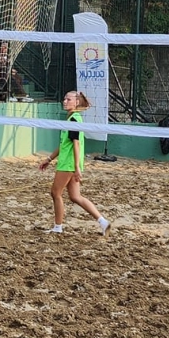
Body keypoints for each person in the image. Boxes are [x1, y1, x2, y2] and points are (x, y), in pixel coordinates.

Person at [38, 91, 110, 235]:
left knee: (55, 193)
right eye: (64, 98)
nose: (64, 101)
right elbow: (65, 144)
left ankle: (58, 228)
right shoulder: (72, 119)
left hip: (68, 164)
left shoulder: (74, 120)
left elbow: (76, 144)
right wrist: (49, 159)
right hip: (70, 163)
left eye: (68, 99)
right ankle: (103, 222)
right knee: (75, 197)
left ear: (77, 102)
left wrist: (77, 168)